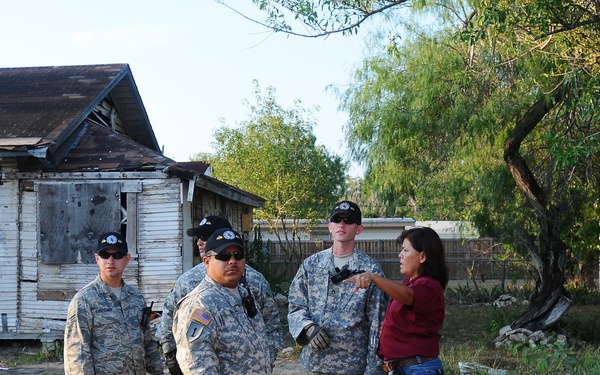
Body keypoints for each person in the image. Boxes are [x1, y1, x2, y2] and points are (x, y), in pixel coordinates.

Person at [156, 216, 282, 374]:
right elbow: (198, 364)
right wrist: (169, 355)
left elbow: (271, 327)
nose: (232, 261)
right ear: (207, 261)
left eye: (238, 255)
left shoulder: (245, 294)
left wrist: (266, 362)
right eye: (223, 255)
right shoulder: (199, 303)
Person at [287, 200, 387, 375]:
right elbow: (296, 305)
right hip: (315, 364)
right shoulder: (311, 265)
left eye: (348, 220)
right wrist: (308, 327)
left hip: (353, 366)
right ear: (330, 227)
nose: (342, 224)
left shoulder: (371, 270)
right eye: (337, 220)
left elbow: (377, 325)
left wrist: (374, 369)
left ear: (359, 229)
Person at [345, 227, 449, 375]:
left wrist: (373, 277)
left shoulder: (429, 286)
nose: (400, 255)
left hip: (418, 370)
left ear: (422, 256)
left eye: (406, 251)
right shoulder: (410, 284)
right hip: (403, 369)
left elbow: (407, 296)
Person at [64, 231, 162, 375]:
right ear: (97, 258)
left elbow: (147, 342)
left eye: (117, 255)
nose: (110, 260)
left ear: (127, 259)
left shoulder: (136, 298)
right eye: (105, 255)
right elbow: (77, 353)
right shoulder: (84, 300)